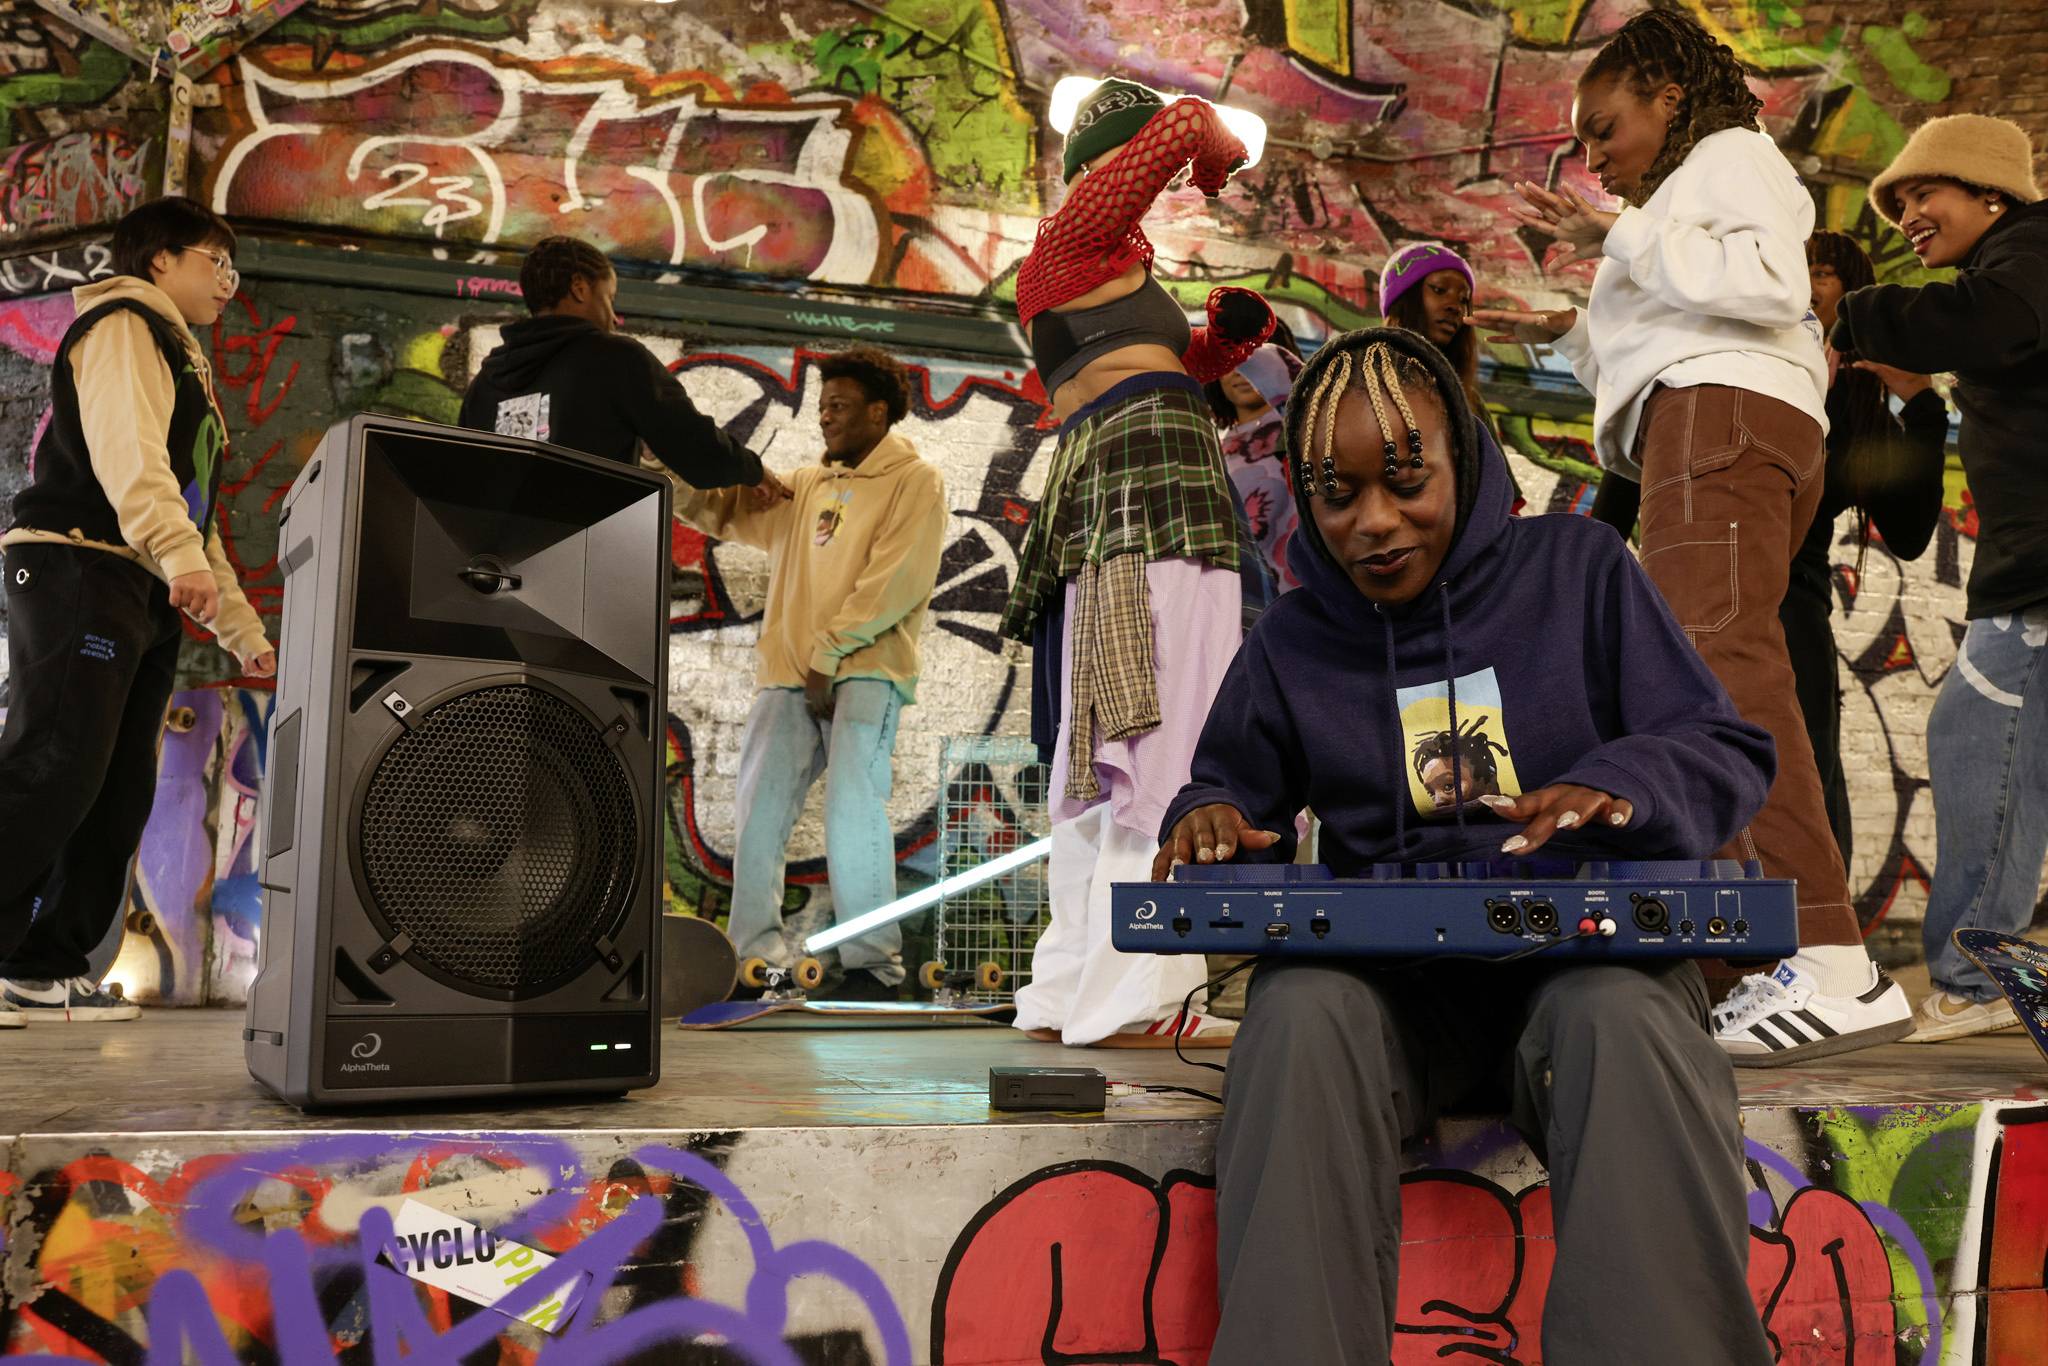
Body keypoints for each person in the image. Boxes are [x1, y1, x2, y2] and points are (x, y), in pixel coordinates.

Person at [1160, 327, 1775, 1365]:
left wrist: (1616, 787)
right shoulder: (1291, 642)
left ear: (1468, 457)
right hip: (1394, 1002)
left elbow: (1717, 747)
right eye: (1336, 494)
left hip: (1588, 967)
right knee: (1302, 1010)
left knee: (1619, 1018)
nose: (1374, 523)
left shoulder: (1579, 568)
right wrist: (1207, 813)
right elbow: (1227, 788)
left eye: (1406, 480)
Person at [1472, 8, 1910, 1063]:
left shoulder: (1726, 157)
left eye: (1601, 126)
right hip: (1705, 416)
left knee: (1722, 677)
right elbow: (1682, 322)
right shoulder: (1686, 192)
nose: (1591, 156)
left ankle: (1827, 958)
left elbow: (1763, 287)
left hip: (1719, 417)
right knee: (1701, 684)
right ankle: (1766, 957)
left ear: (1667, 97)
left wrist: (1611, 239)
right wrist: (1572, 332)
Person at [998, 76, 1276, 1046]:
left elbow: (1160, 367)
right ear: (1090, 173)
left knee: (1100, 753)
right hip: (1146, 502)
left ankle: (1069, 989)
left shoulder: (1096, 272)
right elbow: (1172, 138)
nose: (1132, 185)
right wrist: (1196, 138)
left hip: (1121, 501)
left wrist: (1221, 343)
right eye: (1117, 167)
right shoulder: (1068, 241)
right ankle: (1137, 994)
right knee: (1153, 746)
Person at [1592, 230, 1950, 872]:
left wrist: (1921, 405)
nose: (1807, 280)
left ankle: (1818, 943)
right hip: (1680, 608)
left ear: (1855, 294)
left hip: (1789, 619)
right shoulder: (1715, 364)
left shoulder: (1855, 410)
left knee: (1797, 779)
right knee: (1676, 770)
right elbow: (1613, 510)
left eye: (1824, 271)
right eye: (1797, 264)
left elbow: (1911, 532)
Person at [0, 196, 275, 1025]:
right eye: (214, 261)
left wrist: (244, 634)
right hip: (80, 563)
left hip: (141, 580)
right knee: (54, 764)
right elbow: (131, 461)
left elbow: (197, 512)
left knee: (117, 786)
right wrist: (180, 554)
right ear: (160, 259)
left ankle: (42, 970)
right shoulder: (125, 324)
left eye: (234, 267)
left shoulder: (186, 362)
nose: (229, 282)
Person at [1829, 114, 2048, 1043]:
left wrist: (1858, 310)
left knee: (1975, 741)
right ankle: (1992, 972)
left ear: (1990, 193)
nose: (1909, 213)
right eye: (1900, 203)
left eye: (1926, 193)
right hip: (2033, 570)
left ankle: (1975, 973)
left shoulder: (2034, 249)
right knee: (2012, 764)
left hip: (2036, 579)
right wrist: (1924, 398)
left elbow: (1983, 322)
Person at [669, 346, 945, 999]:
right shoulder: (807, 486)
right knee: (758, 812)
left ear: (880, 411)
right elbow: (719, 509)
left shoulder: (915, 481)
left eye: (840, 406)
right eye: (822, 406)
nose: (825, 418)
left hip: (866, 671)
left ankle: (872, 965)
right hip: (790, 676)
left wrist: (828, 656)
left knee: (854, 810)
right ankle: (752, 960)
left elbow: (895, 582)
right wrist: (657, 463)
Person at [459, 235, 780, 499]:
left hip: (501, 563)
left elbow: (462, 482)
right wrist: (754, 470)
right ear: (579, 287)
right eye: (609, 297)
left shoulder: (486, 382)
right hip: (585, 556)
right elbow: (696, 448)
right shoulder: (614, 358)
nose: (614, 317)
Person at [1205, 341, 1302, 591]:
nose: (1240, 371)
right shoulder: (1211, 447)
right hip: (1245, 598)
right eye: (1230, 363)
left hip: (1304, 589)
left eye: (1251, 362)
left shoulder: (1304, 430)